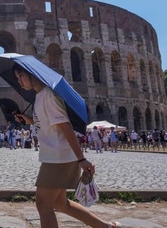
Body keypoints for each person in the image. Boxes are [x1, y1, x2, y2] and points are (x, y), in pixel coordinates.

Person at [12, 65, 121, 228]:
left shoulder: (48, 95)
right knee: (60, 203)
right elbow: (48, 122)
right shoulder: (40, 96)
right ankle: (105, 227)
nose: (18, 81)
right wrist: (29, 120)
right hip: (55, 155)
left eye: (20, 76)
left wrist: (82, 159)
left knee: (43, 204)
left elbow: (65, 127)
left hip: (59, 157)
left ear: (31, 74)